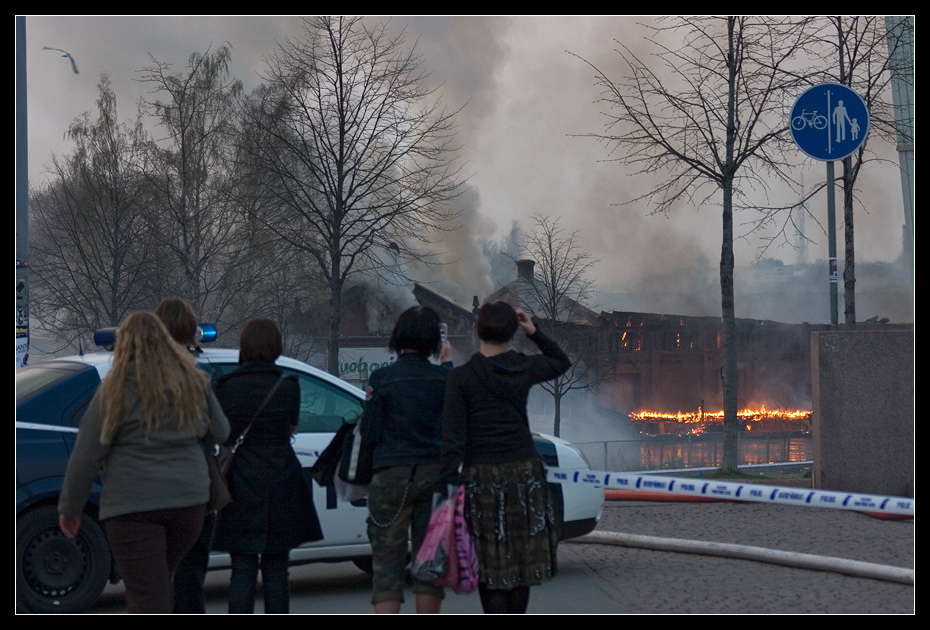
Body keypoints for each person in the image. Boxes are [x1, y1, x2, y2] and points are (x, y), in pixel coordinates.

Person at [58, 311, 230, 614]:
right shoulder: (193, 381)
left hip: (132, 506)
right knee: (158, 582)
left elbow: (87, 453)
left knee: (148, 595)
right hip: (189, 502)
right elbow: (222, 430)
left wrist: (71, 508)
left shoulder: (115, 388)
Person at [440, 301, 570, 614]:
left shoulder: (461, 378)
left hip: (481, 477)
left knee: (490, 566)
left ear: (477, 329)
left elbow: (453, 440)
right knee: (521, 564)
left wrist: (445, 486)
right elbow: (559, 361)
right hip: (525, 474)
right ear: (512, 333)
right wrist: (534, 332)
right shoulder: (524, 366)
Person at [211, 318, 322, 614]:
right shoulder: (288, 386)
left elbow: (223, 434)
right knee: (277, 568)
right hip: (282, 479)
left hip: (240, 480)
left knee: (242, 567)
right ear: (276, 347)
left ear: (244, 346)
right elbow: (290, 428)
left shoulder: (225, 386)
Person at [359, 306, 453, 614]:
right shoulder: (445, 379)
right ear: (433, 341)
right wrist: (448, 366)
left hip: (390, 477)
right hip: (435, 478)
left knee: (387, 568)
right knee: (429, 568)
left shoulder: (382, 378)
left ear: (399, 336)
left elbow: (369, 432)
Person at [154, 297, 213, 613]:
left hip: (145, 489)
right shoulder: (198, 373)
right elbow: (220, 428)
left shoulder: (130, 370)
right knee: (190, 572)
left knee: (152, 578)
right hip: (190, 490)